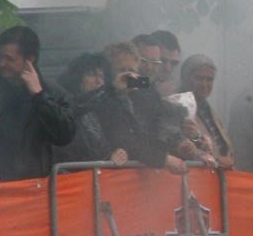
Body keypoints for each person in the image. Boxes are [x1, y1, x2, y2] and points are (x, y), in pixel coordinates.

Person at [0, 26, 76, 181]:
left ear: (30, 59)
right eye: (0, 57)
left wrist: (39, 96)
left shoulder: (54, 93)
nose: (2, 63)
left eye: (9, 59)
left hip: (35, 182)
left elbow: (64, 136)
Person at [94, 41, 186, 173]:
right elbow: (125, 140)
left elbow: (153, 127)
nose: (128, 76)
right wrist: (163, 159)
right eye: (121, 70)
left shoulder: (144, 90)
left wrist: (181, 143)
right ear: (107, 72)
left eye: (131, 70)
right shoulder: (100, 99)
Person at [53, 53, 129, 165]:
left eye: (102, 77)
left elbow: (118, 138)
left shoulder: (105, 108)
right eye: (92, 75)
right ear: (77, 78)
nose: (99, 81)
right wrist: (110, 88)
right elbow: (74, 153)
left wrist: (118, 152)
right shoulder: (64, 106)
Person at [174, 54, 234, 168]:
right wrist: (217, 160)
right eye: (199, 78)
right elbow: (180, 149)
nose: (204, 84)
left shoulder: (208, 110)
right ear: (184, 78)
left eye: (209, 79)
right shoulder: (174, 107)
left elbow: (225, 148)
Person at [150, 30, 181, 97]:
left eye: (173, 63)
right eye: (162, 61)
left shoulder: (178, 86)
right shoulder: (133, 82)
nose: (168, 69)